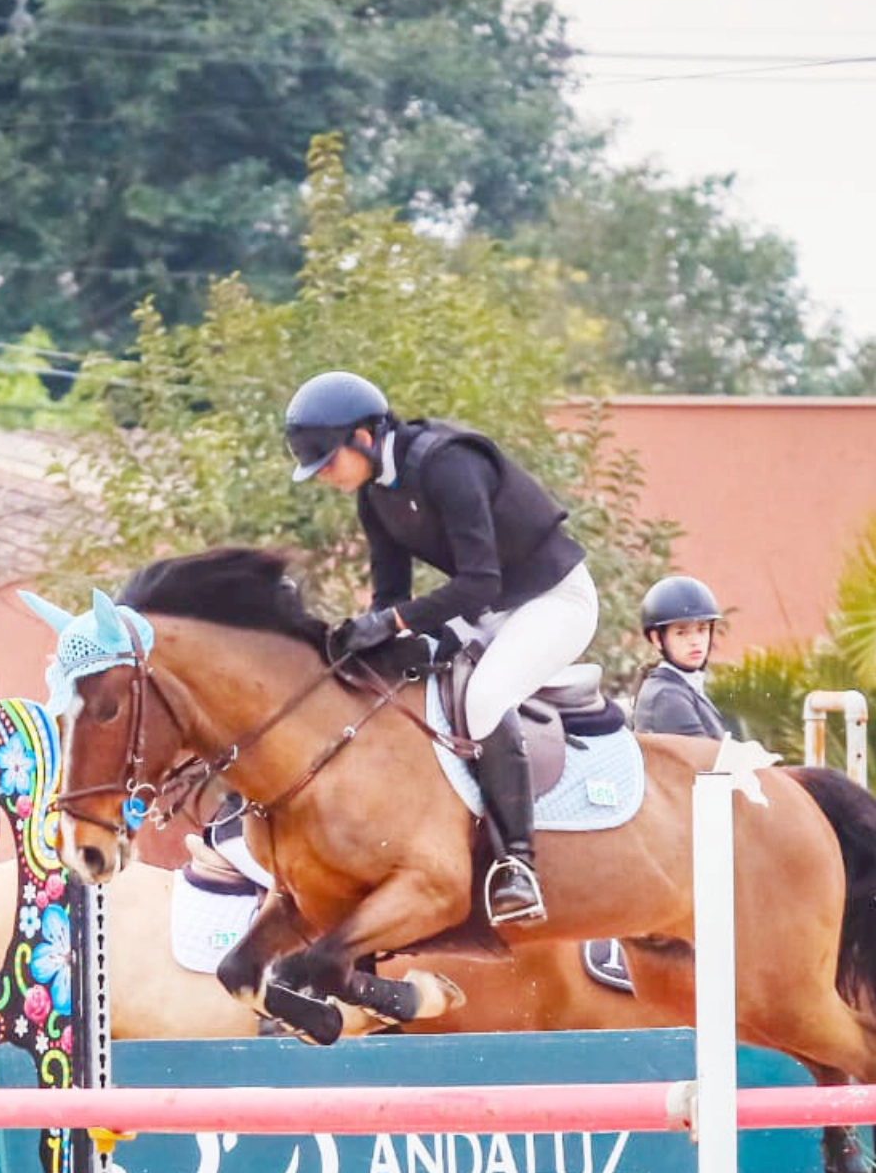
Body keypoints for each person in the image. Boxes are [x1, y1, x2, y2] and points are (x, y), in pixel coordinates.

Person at [284, 369, 599, 925]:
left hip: (555, 599)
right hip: (493, 610)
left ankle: (516, 866)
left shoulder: (448, 465)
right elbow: (391, 593)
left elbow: (478, 580)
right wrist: (375, 636)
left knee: (483, 699)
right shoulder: (374, 496)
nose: (328, 477)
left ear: (364, 436)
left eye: (329, 461)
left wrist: (397, 621)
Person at [633, 575, 727, 739]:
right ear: (657, 639)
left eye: (702, 629)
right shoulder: (666, 696)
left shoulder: (683, 687)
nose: (695, 641)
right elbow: (708, 761)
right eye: (681, 632)